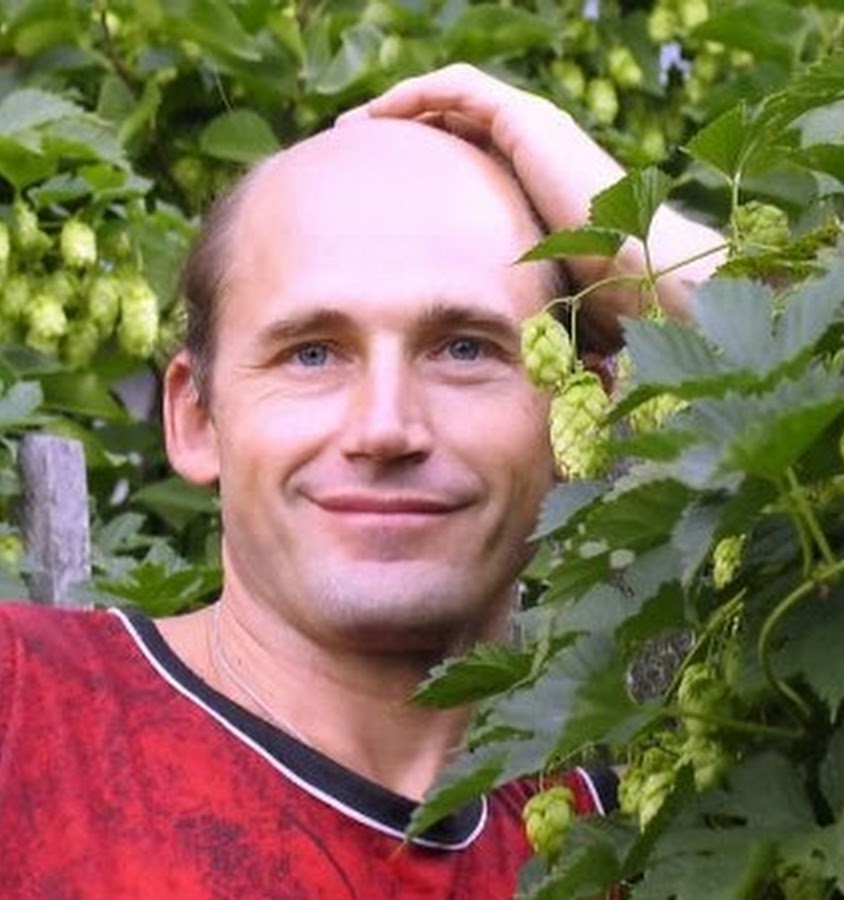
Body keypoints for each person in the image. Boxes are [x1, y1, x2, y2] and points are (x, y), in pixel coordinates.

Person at [0, 65, 722, 897]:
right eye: (311, 354)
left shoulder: (621, 854)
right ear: (197, 418)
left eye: (464, 349)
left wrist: (651, 255)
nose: (385, 428)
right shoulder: (25, 708)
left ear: (576, 417)